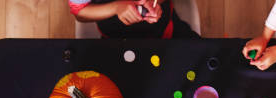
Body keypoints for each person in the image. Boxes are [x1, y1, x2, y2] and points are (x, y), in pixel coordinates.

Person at [69, 0, 199, 38]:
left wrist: (156, 2)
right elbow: (80, 12)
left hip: (167, 33)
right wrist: (115, 7)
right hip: (114, 40)